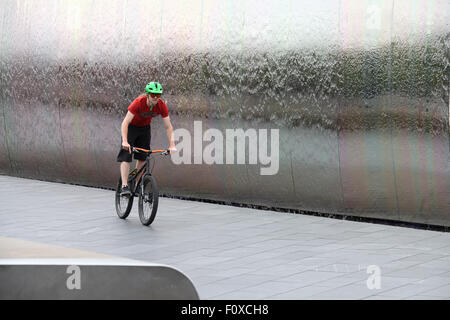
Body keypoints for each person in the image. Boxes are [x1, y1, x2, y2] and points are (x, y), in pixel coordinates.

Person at [117, 81, 176, 196]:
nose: (155, 97)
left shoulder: (161, 105)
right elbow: (125, 123)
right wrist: (125, 141)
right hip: (131, 128)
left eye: (158, 95)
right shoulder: (139, 103)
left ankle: (138, 184)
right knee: (126, 155)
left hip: (144, 129)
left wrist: (172, 145)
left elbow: (168, 127)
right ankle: (124, 186)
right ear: (147, 94)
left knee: (143, 157)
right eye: (153, 95)